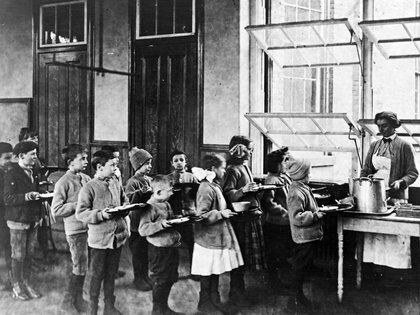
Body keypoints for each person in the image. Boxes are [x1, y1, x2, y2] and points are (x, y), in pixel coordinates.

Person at [360, 111, 418, 269]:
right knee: (376, 235)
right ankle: (376, 271)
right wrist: (366, 180)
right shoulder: (374, 145)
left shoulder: (404, 145)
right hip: (376, 195)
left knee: (394, 236)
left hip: (396, 195)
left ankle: (395, 275)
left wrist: (401, 181)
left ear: (393, 125)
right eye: (378, 126)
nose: (381, 129)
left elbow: (413, 173)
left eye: (384, 126)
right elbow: (365, 170)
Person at [76, 150, 130, 315]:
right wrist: (101, 215)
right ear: (99, 167)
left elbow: (124, 199)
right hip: (100, 240)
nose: (116, 167)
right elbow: (81, 213)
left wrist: (125, 208)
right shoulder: (89, 187)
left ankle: (109, 307)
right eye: (112, 165)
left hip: (117, 238)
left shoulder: (114, 181)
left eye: (116, 164)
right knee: (96, 275)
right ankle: (93, 308)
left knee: (111, 273)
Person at [191, 154, 243, 313]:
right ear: (213, 169)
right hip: (208, 239)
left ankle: (214, 299)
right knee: (208, 272)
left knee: (215, 269)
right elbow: (201, 215)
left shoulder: (215, 185)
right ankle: (205, 301)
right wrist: (221, 214)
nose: (225, 171)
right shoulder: (206, 188)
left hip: (216, 236)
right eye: (222, 168)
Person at [222, 135, 266, 307]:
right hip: (241, 220)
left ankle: (240, 292)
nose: (251, 152)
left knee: (245, 259)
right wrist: (244, 189)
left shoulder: (245, 167)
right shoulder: (232, 170)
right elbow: (228, 194)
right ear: (239, 150)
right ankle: (235, 293)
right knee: (239, 259)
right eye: (249, 149)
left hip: (251, 217)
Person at [51, 144, 90, 313]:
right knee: (79, 265)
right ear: (70, 162)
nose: (86, 161)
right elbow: (56, 210)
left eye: (86, 158)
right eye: (82, 159)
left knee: (83, 265)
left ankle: (78, 298)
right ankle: (69, 301)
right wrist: (77, 205)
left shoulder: (87, 179)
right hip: (75, 230)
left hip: (89, 228)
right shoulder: (63, 182)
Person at [4, 141, 43, 300]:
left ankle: (27, 282)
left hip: (32, 219)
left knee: (29, 254)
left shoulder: (32, 171)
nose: (35, 157)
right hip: (18, 220)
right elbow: (7, 198)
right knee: (18, 255)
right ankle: (17, 286)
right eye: (32, 154)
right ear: (21, 156)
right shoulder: (11, 173)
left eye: (35, 153)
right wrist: (27, 196)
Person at [286, 157, 324, 312]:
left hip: (307, 236)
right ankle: (294, 299)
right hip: (303, 237)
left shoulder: (303, 187)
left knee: (302, 267)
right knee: (299, 268)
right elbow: (296, 218)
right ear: (301, 174)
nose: (310, 174)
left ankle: (297, 296)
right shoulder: (296, 192)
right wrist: (315, 216)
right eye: (308, 172)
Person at [139, 175, 182, 315]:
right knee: (160, 280)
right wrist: (161, 224)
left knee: (170, 277)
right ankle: (157, 310)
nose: (172, 192)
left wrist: (178, 218)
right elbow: (143, 229)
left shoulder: (166, 203)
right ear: (158, 192)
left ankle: (164, 308)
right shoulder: (150, 206)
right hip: (159, 250)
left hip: (171, 247)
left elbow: (168, 220)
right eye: (170, 190)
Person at [261, 147, 293, 292]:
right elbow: (269, 203)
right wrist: (285, 212)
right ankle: (273, 283)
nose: (288, 163)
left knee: (283, 252)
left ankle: (282, 280)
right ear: (276, 164)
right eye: (285, 161)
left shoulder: (284, 176)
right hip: (275, 223)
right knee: (273, 254)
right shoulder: (271, 179)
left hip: (285, 222)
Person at [167, 149, 198, 279]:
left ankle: (195, 271)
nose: (179, 163)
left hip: (190, 214)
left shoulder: (192, 177)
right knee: (174, 244)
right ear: (172, 163)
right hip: (175, 216)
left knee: (192, 243)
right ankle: (173, 272)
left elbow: (198, 194)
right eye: (176, 160)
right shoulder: (168, 178)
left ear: (185, 162)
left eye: (181, 160)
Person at [125, 148, 154, 291]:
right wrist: (140, 193)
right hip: (136, 225)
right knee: (138, 253)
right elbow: (129, 200)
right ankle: (138, 278)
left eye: (150, 163)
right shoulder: (132, 182)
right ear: (138, 165)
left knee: (145, 252)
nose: (150, 167)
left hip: (146, 222)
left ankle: (145, 276)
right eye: (147, 164)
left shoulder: (149, 180)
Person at [0, 142, 13, 291]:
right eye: (6, 158)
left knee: (9, 246)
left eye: (11, 158)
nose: (10, 162)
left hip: (7, 216)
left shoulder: (8, 173)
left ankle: (10, 278)